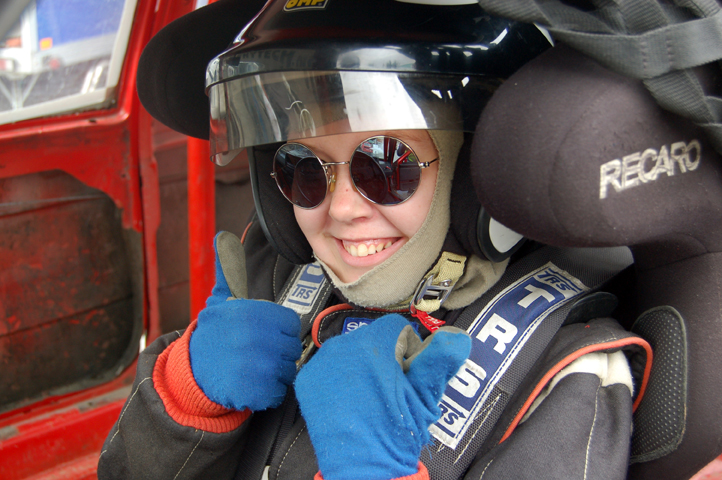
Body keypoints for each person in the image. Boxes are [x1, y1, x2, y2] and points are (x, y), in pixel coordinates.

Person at [98, 1, 653, 479]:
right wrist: (184, 398)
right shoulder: (268, 282)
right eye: (304, 170)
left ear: (474, 181)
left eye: (386, 166)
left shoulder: (568, 372)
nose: (340, 209)